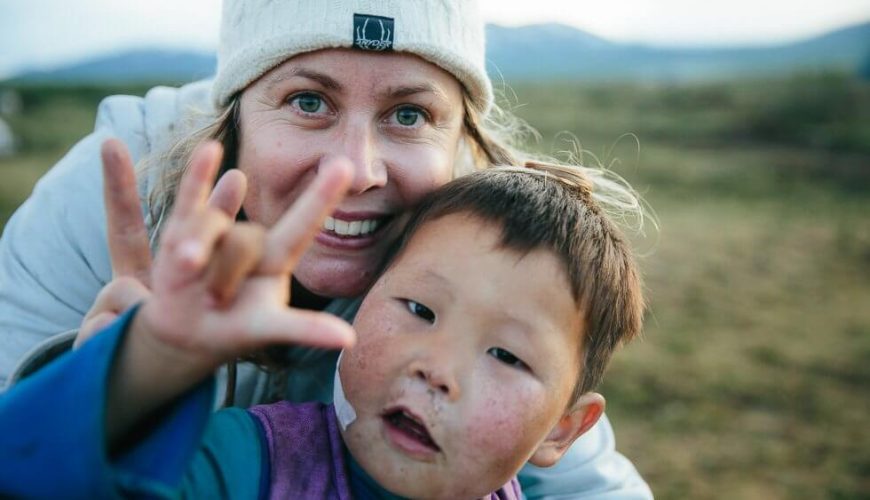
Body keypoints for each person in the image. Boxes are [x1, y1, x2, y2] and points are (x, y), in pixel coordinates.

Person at [0, 1, 652, 496]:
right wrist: (133, 375)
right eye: (309, 101)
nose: (357, 168)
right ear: (236, 117)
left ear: (461, 144)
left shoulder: (470, 248)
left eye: (408, 114)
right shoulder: (108, 203)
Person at [0, 154, 644, 498]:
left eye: (506, 355)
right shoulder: (246, 463)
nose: (436, 369)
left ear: (562, 429)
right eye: (419, 311)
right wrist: (148, 364)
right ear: (359, 300)